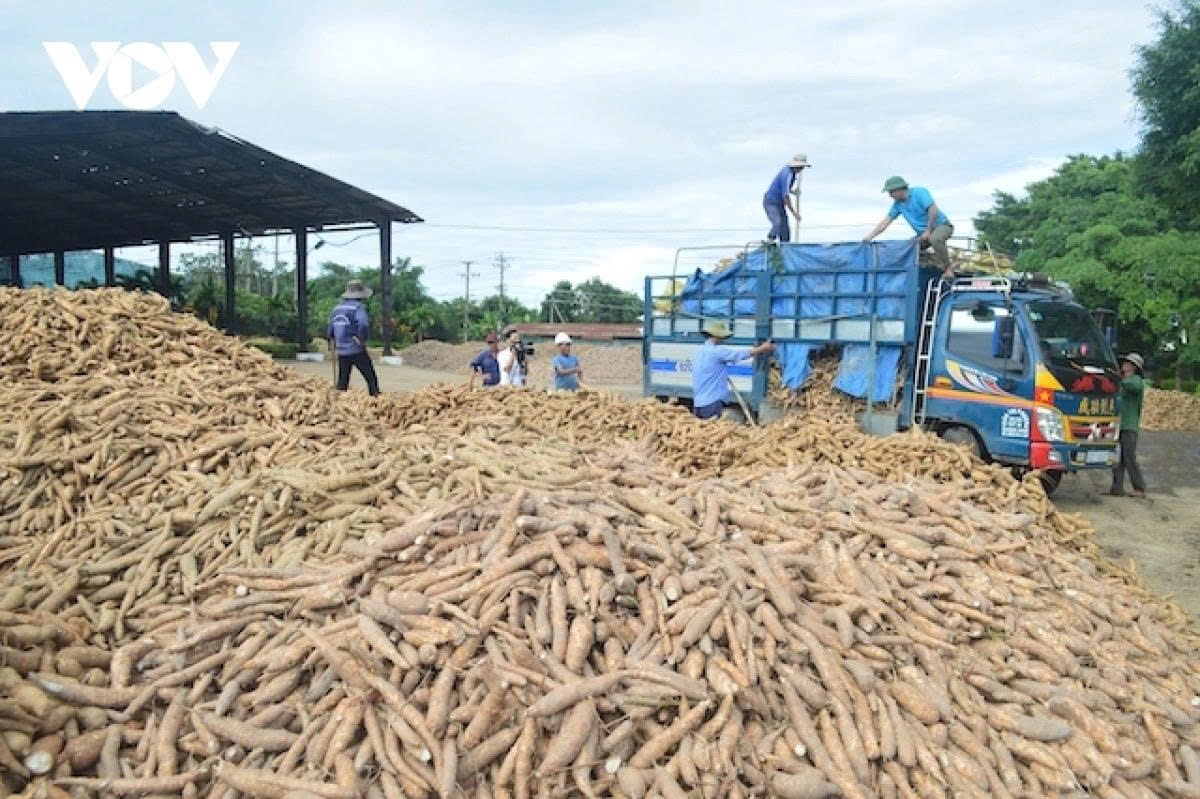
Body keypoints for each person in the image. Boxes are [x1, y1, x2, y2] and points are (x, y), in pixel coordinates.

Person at [863, 176, 955, 275]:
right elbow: (886, 222)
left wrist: (928, 230)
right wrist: (869, 237)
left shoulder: (919, 192)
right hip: (922, 233)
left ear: (899, 190)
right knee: (907, 247)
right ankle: (916, 269)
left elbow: (933, 209)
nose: (890, 196)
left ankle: (948, 268)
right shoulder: (897, 205)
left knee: (935, 239)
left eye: (891, 192)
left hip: (942, 226)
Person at [691, 321, 774, 420]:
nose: (724, 340)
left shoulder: (699, 351)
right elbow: (740, 354)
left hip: (698, 403)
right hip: (712, 402)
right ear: (717, 336)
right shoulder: (717, 352)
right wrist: (763, 348)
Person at [326, 280, 380, 396]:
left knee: (343, 380)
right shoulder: (357, 307)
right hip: (355, 348)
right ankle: (375, 399)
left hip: (341, 349)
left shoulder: (336, 309)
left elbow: (330, 328)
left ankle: (339, 402)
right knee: (370, 377)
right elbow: (363, 324)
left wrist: (332, 339)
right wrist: (361, 339)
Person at [1109, 352, 1148, 498]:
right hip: (1119, 424)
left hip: (1129, 426)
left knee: (1129, 457)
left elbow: (1133, 386)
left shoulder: (1136, 381)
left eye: (1127, 363)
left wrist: (1119, 377)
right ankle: (1117, 487)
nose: (1124, 365)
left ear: (1133, 367)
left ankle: (1140, 487)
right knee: (1117, 458)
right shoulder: (1124, 382)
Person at [763, 153, 809, 243]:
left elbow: (784, 188)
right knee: (777, 223)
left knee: (785, 231)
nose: (801, 170)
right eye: (800, 167)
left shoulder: (793, 174)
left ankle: (785, 249)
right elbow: (786, 197)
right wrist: (794, 213)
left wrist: (793, 191)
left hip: (780, 204)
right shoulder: (787, 174)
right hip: (771, 202)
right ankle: (769, 241)